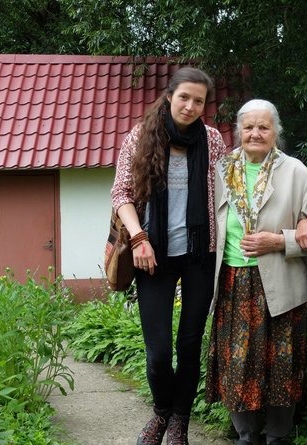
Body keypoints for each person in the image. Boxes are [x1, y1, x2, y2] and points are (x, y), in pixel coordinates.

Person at [111, 66, 228, 445]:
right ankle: (162, 411)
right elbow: (121, 195)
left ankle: (180, 421)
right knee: (159, 352)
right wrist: (139, 237)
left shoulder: (213, 141)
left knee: (190, 344)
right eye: (184, 98)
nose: (191, 106)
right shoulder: (140, 137)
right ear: (169, 96)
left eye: (199, 101)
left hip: (199, 254)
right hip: (153, 255)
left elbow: (228, 195)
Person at [204, 99, 307, 445]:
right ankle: (246, 435)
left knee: (281, 362)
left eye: (263, 127)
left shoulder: (297, 172)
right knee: (237, 362)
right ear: (238, 131)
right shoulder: (221, 171)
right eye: (249, 127)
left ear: (276, 133)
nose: (255, 133)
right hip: (232, 281)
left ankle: (278, 435)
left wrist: (280, 241)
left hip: (280, 282)